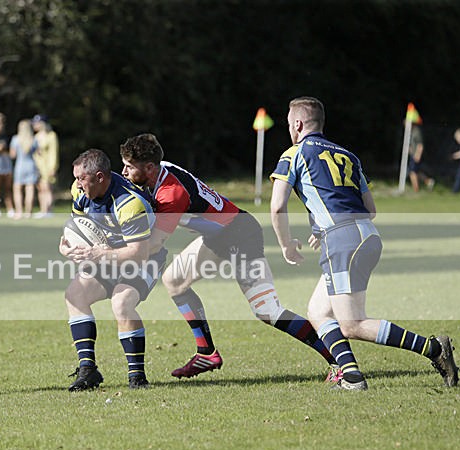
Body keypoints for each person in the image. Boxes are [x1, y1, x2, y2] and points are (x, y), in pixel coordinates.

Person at [269, 96, 459, 391]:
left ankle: (434, 349)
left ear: (298, 123)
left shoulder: (294, 153)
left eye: (288, 125)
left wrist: (285, 245)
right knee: (319, 311)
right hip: (367, 235)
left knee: (352, 324)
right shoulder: (347, 155)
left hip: (342, 241)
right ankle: (352, 376)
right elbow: (369, 209)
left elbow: (277, 206)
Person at [119, 133, 338, 381]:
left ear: (149, 167)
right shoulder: (161, 172)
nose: (124, 171)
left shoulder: (171, 193)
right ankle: (207, 353)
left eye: (128, 166)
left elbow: (155, 243)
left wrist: (111, 254)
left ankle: (336, 358)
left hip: (240, 234)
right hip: (219, 235)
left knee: (268, 311)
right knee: (174, 280)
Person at [59, 148, 166, 391]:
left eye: (81, 178)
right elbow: (75, 227)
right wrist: (67, 248)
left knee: (121, 303)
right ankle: (88, 370)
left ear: (99, 177)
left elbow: (139, 253)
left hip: (144, 258)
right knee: (75, 295)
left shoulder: (129, 203)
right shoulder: (80, 191)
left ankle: (137, 377)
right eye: (76, 178)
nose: (77, 184)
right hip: (106, 255)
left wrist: (99, 254)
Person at [9, 119, 38, 219]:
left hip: (20, 165)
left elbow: (12, 155)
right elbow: (38, 153)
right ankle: (28, 212)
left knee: (17, 190)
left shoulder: (15, 139)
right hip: (31, 165)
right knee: (30, 189)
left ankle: (19, 212)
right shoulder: (33, 139)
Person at [31, 114, 58, 218]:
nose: (34, 125)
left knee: (47, 188)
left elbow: (53, 152)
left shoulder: (51, 135)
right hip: (38, 167)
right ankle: (43, 210)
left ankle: (49, 210)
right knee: (41, 189)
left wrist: (53, 167)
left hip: (47, 167)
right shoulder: (36, 137)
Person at [407, 123, 434, 192]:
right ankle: (428, 181)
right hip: (413, 154)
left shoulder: (417, 132)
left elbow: (420, 145)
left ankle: (416, 190)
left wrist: (418, 155)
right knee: (416, 172)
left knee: (412, 172)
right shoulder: (411, 131)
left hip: (416, 155)